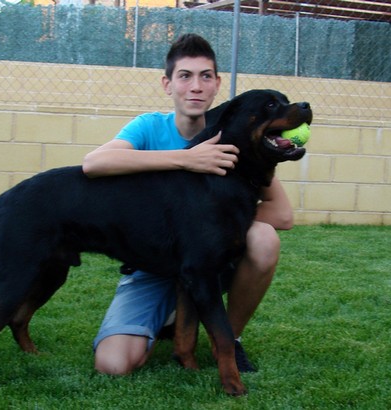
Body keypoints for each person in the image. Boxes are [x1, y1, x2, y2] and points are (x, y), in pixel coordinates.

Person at [82, 33, 293, 376]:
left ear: (217, 84)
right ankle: (169, 318)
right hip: (151, 267)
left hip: (211, 261)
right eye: (185, 76)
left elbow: (282, 215)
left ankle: (229, 339)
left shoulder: (236, 133)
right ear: (168, 84)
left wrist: (209, 222)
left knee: (263, 238)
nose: (196, 86)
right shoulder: (150, 127)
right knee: (113, 365)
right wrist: (186, 158)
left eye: (205, 76)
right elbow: (94, 163)